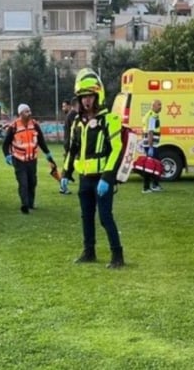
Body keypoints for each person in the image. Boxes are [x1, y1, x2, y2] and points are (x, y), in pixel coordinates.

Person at [61, 69, 125, 269]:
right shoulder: (77, 123)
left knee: (105, 217)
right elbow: (72, 149)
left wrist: (107, 178)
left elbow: (116, 149)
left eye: (89, 96)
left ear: (97, 96)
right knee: (86, 217)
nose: (86, 101)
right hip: (84, 179)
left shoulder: (110, 120)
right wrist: (65, 173)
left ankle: (117, 255)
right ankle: (89, 252)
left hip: (102, 180)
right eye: (83, 97)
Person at [2, 103, 57, 214]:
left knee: (32, 182)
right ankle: (25, 205)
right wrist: (7, 155)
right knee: (23, 183)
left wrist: (47, 154)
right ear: (20, 113)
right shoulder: (14, 127)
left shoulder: (35, 125)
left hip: (32, 159)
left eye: (29, 110)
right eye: (27, 111)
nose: (29, 113)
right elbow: (5, 143)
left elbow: (41, 140)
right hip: (18, 160)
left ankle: (31, 203)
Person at [141, 99, 163, 193]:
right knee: (150, 166)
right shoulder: (152, 117)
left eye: (161, 105)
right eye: (158, 105)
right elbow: (150, 132)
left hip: (152, 145)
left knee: (154, 165)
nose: (160, 107)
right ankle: (146, 187)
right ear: (153, 106)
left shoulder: (152, 115)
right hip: (152, 145)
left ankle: (154, 185)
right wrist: (150, 147)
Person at [60, 96, 79, 194]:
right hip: (71, 144)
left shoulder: (72, 114)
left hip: (69, 143)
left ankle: (66, 178)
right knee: (68, 164)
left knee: (70, 164)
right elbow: (76, 130)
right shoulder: (73, 115)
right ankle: (63, 186)